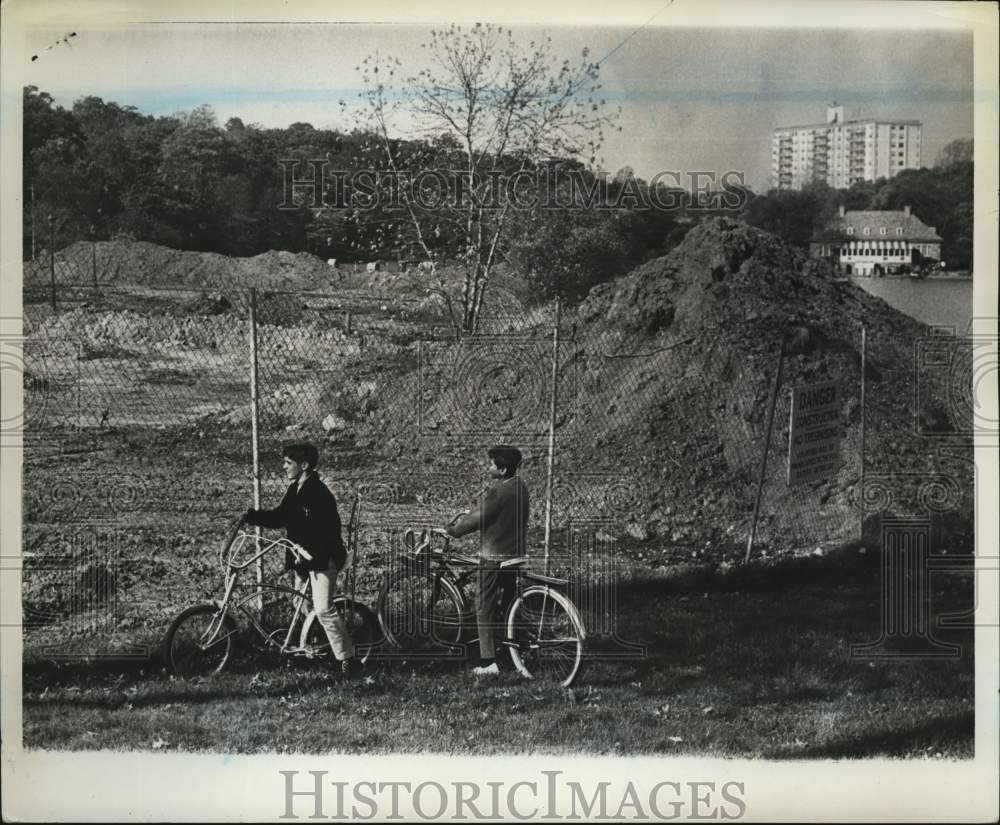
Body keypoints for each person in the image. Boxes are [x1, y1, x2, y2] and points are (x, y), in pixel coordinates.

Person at [243, 442, 363, 678]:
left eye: (289, 463)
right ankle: (318, 645)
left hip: (322, 560)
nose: (284, 467)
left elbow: (329, 531)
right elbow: (280, 516)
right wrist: (252, 517)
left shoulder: (318, 493)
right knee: (299, 602)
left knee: (324, 608)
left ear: (304, 465)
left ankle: (348, 659)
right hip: (306, 560)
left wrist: (309, 554)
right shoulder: (296, 489)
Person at [446, 445, 529, 678]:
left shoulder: (497, 492)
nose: (488, 467)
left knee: (484, 606)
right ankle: (509, 646)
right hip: (515, 554)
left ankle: (488, 662)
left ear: (502, 470)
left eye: (491, 464)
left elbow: (477, 519)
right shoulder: (520, 487)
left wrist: (453, 529)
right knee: (506, 603)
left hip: (494, 556)